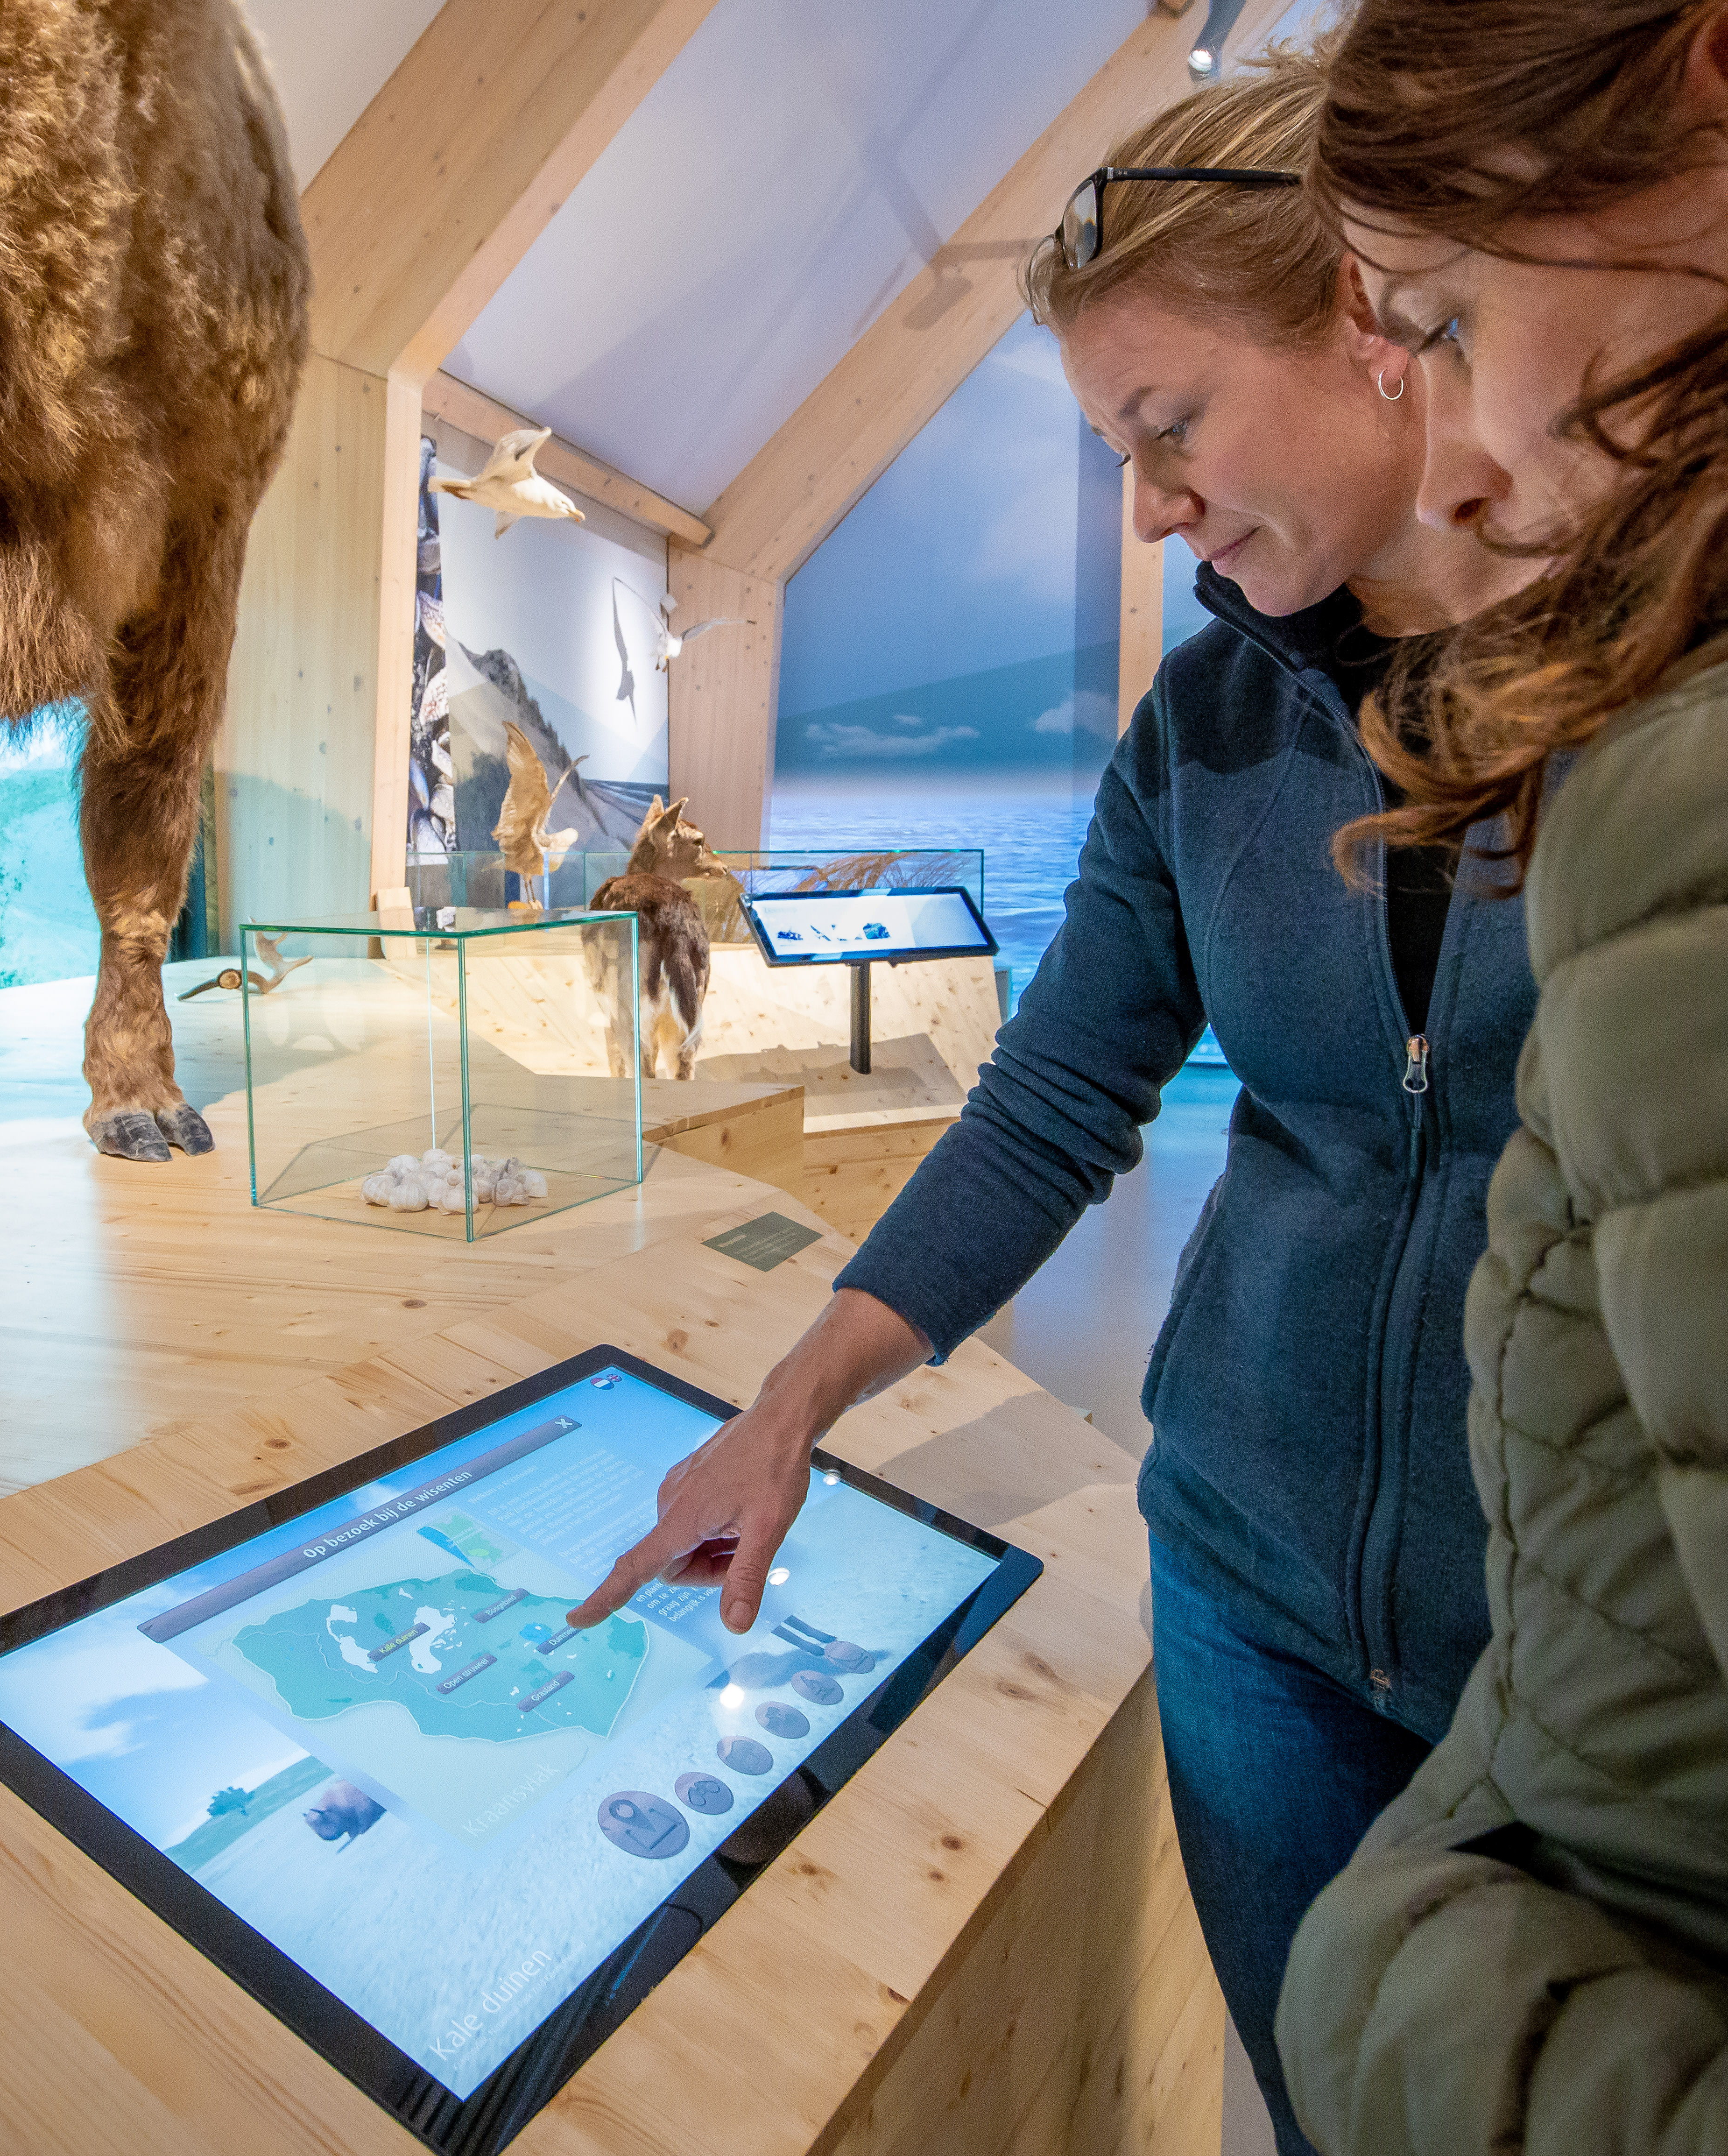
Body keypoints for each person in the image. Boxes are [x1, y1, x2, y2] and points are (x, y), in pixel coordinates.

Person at [564, 53, 1541, 2156]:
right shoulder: (1196, 730)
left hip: (1582, 1664)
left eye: (1167, 427)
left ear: (1376, 326)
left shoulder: (1645, 705)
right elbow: (1051, 1098)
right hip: (1251, 1605)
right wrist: (793, 1401)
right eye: (1116, 450)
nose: (1150, 510)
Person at [1271, 6, 1728, 2149]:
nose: (1451, 457)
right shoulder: (1204, 718)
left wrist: (1398, 1989)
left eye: (1437, 328)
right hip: (1331, 1594)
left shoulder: (1667, 781)